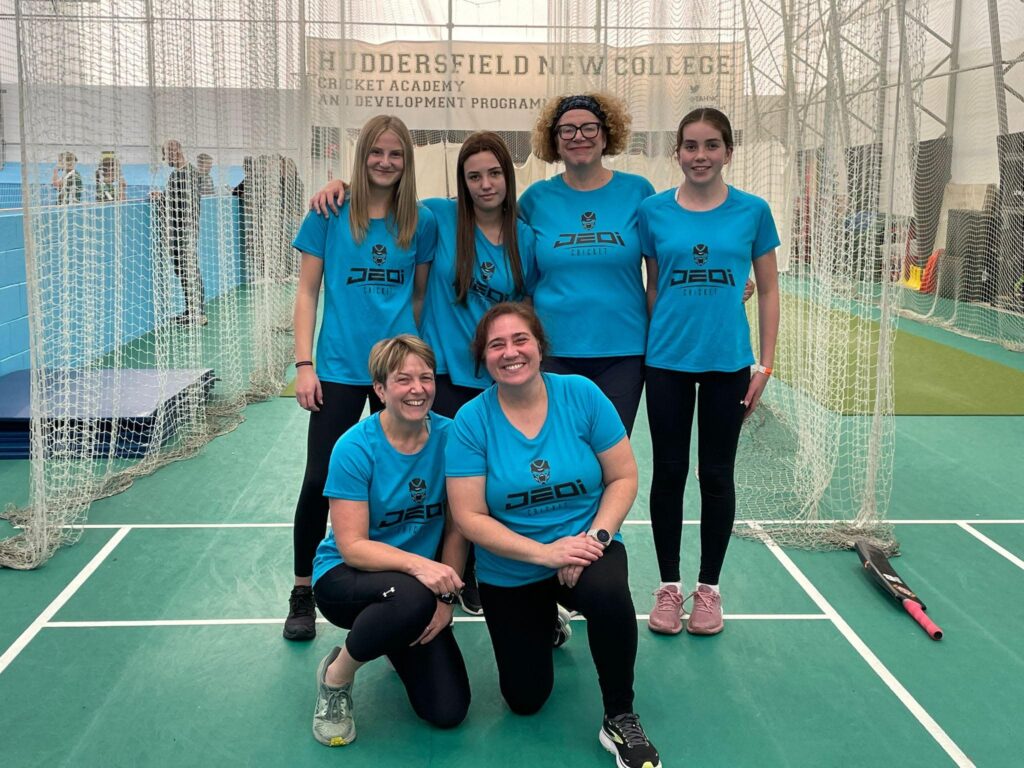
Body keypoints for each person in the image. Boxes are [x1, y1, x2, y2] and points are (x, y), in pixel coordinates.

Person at [309, 130, 538, 617]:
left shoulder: (521, 236)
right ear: (461, 182)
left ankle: (473, 571)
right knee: (351, 478)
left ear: (508, 177)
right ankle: (318, 584)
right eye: (473, 175)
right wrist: (339, 186)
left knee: (481, 479)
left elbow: (534, 302)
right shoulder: (440, 217)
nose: (484, 183)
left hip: (493, 377)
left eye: (494, 173)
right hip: (438, 372)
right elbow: (382, 194)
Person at [446, 302, 661, 768]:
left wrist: (595, 540)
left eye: (520, 340)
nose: (510, 352)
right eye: (496, 345)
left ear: (540, 347)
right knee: (525, 700)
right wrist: (545, 555)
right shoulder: (470, 421)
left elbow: (623, 477)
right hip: (513, 564)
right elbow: (469, 516)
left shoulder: (581, 395)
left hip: (585, 545)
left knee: (606, 593)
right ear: (483, 358)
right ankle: (547, 617)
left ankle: (619, 716)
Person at [285, 114, 437, 642]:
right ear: (362, 153)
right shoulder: (330, 212)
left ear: (407, 161)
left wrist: (412, 362)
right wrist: (304, 363)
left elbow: (417, 297)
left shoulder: (420, 221)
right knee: (317, 480)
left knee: (405, 479)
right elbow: (307, 292)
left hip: (398, 376)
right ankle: (304, 587)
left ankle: (414, 576)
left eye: (396, 154)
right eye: (377, 152)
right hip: (339, 371)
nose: (386, 162)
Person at [640, 107, 780, 637]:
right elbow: (656, 287)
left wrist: (764, 363)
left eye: (712, 145)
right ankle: (670, 586)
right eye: (691, 146)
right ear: (677, 152)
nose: (700, 156)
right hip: (667, 363)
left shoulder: (753, 211)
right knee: (669, 474)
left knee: (717, 474)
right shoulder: (653, 212)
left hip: (728, 365)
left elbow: (767, 288)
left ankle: (710, 590)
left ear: (728, 151)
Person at [310, 335, 470, 747]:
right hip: (346, 577)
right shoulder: (355, 447)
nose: (418, 389)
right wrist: (422, 567)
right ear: (380, 390)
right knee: (411, 596)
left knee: (448, 710)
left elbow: (456, 527)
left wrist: (446, 600)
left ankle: (392, 636)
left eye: (426, 378)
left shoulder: (453, 438)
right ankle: (336, 677)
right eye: (403, 380)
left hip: (414, 588)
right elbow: (353, 546)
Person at [518, 93, 654, 436]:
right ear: (554, 142)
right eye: (567, 130)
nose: (579, 136)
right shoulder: (535, 199)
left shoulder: (638, 192)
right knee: (562, 453)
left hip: (623, 352)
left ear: (606, 135)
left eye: (589, 127)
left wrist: (733, 283)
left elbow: (665, 265)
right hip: (553, 351)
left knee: (610, 452)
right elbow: (512, 271)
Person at [152, 139, 205, 325]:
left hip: (184, 231)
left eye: (167, 155)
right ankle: (192, 310)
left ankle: (197, 312)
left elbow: (177, 204)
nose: (166, 160)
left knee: (188, 269)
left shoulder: (185, 175)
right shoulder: (184, 174)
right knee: (185, 269)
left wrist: (161, 200)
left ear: (175, 152)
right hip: (184, 230)